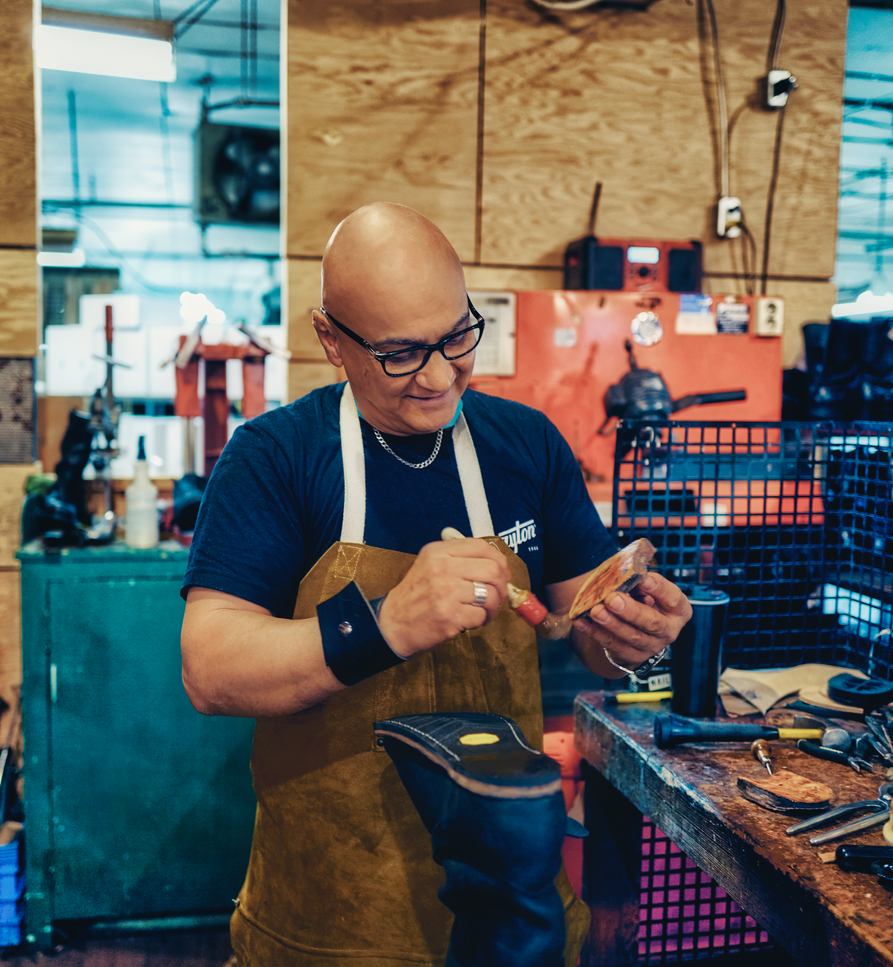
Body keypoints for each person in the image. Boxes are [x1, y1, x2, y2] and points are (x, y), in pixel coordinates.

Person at [180, 202, 693, 967]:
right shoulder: (275, 458)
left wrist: (630, 639)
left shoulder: (524, 445)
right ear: (331, 339)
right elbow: (209, 667)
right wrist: (382, 625)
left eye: (457, 337)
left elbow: (584, 630)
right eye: (399, 353)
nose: (438, 374)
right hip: (333, 921)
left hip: (513, 911)